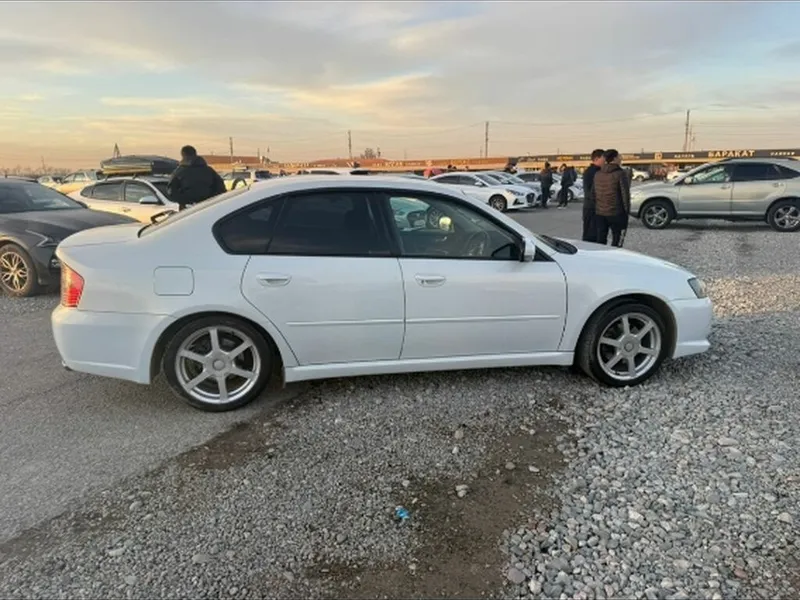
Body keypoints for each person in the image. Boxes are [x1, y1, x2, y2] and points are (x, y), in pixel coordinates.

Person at [167, 145, 226, 210]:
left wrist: (185, 201)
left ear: (183, 155)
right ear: (195, 154)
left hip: (188, 209)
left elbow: (171, 191)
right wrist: (210, 199)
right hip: (209, 207)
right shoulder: (209, 170)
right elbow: (221, 188)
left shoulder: (179, 172)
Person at [593, 149, 630, 247]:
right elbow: (625, 195)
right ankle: (613, 254)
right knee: (616, 238)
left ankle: (600, 255)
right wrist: (626, 212)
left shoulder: (598, 174)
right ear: (614, 158)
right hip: (616, 212)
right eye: (619, 156)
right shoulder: (620, 174)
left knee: (601, 238)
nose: (620, 158)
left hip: (600, 212)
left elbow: (594, 194)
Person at [581, 149, 605, 242]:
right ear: (596, 159)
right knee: (590, 236)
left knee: (599, 235)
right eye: (603, 158)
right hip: (591, 208)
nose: (605, 160)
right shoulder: (590, 172)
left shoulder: (600, 171)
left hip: (598, 208)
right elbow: (589, 192)